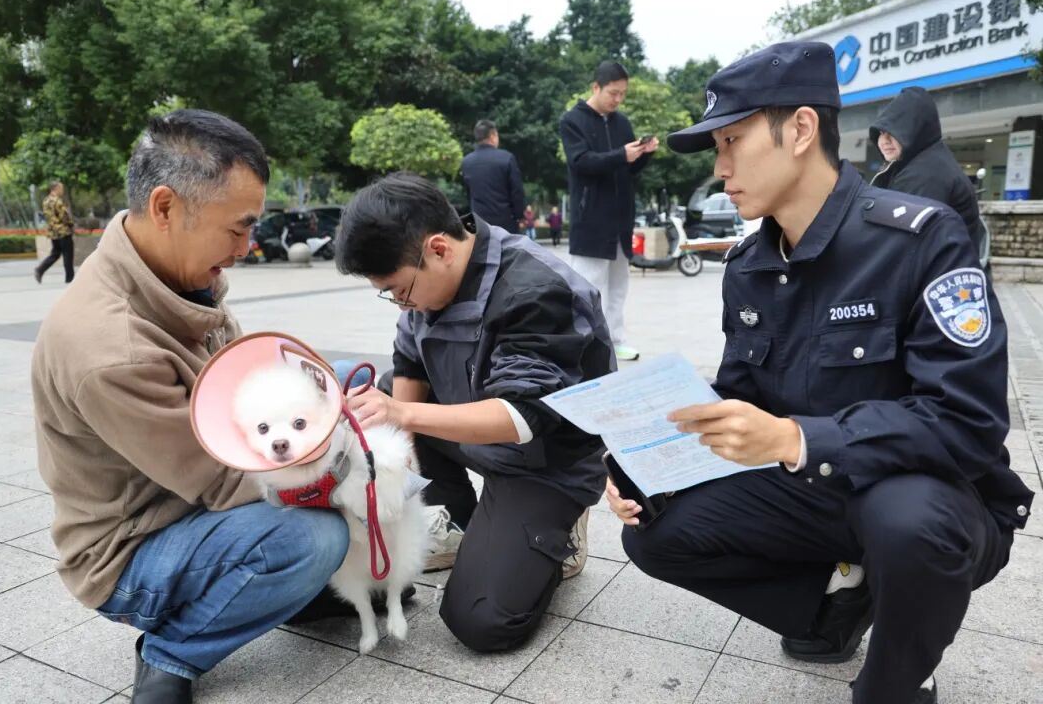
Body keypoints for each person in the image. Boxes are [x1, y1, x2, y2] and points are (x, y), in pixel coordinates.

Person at [609, 42, 1033, 704]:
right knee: (654, 531)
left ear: (802, 129)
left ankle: (896, 681)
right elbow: (738, 394)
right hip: (811, 489)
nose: (721, 169)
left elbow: (967, 424)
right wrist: (644, 461)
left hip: (930, 496)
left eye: (732, 141)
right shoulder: (749, 266)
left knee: (905, 526)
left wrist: (795, 438)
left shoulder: (920, 240)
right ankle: (833, 607)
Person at [32, 110, 350, 704]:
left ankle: (287, 594)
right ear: (165, 207)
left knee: (345, 406)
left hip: (187, 504)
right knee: (314, 538)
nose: (246, 248)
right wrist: (342, 470)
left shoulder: (178, 279)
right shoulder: (111, 348)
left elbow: (248, 390)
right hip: (132, 552)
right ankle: (172, 651)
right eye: (237, 229)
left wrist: (332, 416)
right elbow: (222, 480)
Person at [334, 173, 613, 652]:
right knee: (386, 401)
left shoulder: (535, 290)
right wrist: (403, 462)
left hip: (546, 461)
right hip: (472, 428)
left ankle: (558, 531)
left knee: (482, 619)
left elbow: (522, 417)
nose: (399, 303)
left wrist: (404, 416)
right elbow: (409, 364)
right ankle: (459, 520)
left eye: (399, 289)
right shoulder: (429, 283)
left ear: (439, 248)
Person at [560, 60, 657, 362]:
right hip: (591, 220)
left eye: (622, 94)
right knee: (588, 286)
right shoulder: (572, 121)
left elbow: (627, 168)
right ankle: (587, 344)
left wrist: (644, 154)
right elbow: (581, 162)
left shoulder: (621, 122)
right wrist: (621, 155)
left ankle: (616, 339)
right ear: (596, 87)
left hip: (620, 219)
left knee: (618, 286)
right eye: (613, 93)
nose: (618, 99)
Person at [870, 86, 985, 254]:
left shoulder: (924, 174)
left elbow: (900, 243)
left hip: (939, 267)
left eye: (893, 132)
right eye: (881, 132)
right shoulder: (925, 161)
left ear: (915, 129)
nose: (884, 140)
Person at [460, 119, 525, 234]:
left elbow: (468, 193)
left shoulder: (467, 162)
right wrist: (519, 216)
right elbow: (517, 191)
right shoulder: (507, 158)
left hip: (479, 223)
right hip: (505, 222)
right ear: (493, 136)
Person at [35, 181, 75, 284]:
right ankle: (70, 278)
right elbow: (64, 216)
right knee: (68, 255)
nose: (62, 191)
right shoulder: (57, 201)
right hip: (63, 231)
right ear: (56, 189)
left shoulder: (46, 201)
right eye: (61, 188)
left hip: (53, 232)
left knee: (55, 254)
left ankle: (40, 269)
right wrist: (71, 224)